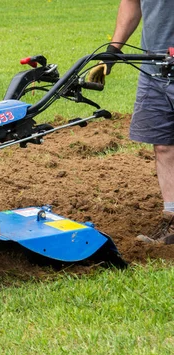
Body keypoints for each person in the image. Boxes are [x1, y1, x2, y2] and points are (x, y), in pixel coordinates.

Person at [87, 0, 174, 244]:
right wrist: (114, 50)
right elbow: (132, 3)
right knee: (163, 144)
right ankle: (172, 219)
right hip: (154, 66)